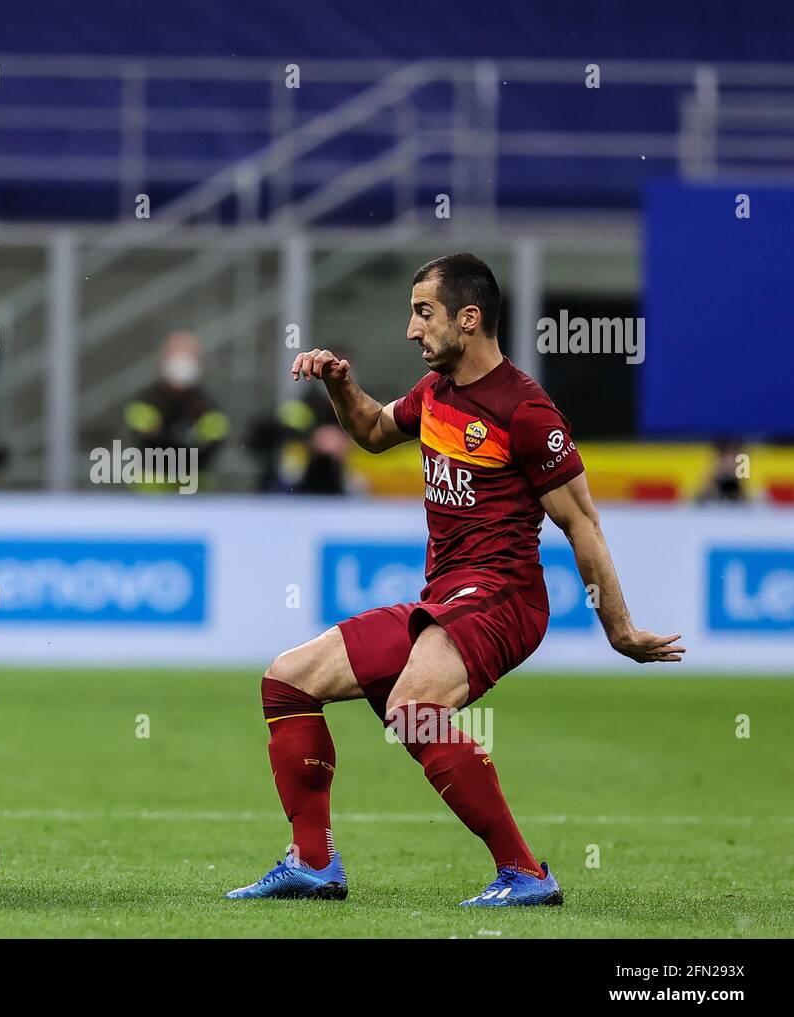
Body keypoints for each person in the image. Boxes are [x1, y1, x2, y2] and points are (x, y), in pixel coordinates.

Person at [225, 253, 684, 907]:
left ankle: (525, 873)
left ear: (469, 319)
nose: (412, 330)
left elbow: (582, 525)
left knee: (414, 709)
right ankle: (313, 862)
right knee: (287, 680)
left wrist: (620, 629)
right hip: (444, 598)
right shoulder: (435, 393)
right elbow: (374, 430)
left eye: (423, 312)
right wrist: (337, 383)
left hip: (503, 598)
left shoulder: (526, 411)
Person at [123, 330, 229, 490]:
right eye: (177, 357)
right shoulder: (147, 401)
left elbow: (210, 449)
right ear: (163, 361)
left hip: (195, 489)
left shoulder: (207, 406)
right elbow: (151, 446)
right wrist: (187, 439)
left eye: (189, 358)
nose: (182, 365)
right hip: (152, 490)